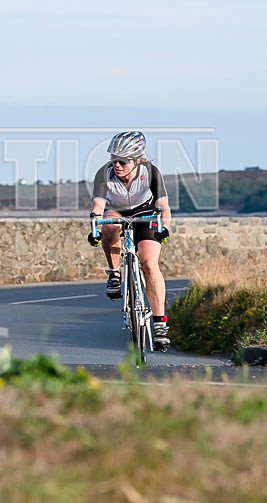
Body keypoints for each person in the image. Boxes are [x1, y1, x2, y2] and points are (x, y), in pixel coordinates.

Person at [88, 131, 172, 349]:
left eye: (122, 161)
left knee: (149, 264)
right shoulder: (104, 174)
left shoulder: (151, 172)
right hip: (117, 211)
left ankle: (159, 322)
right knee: (109, 224)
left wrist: (165, 228)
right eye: (113, 160)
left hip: (146, 213)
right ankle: (114, 273)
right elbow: (97, 207)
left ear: (136, 160)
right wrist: (95, 229)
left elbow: (164, 206)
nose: (117, 165)